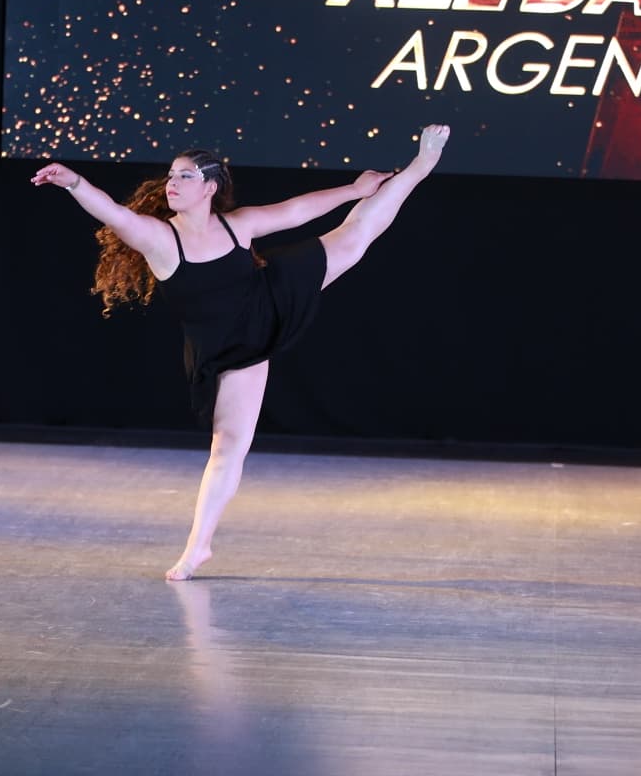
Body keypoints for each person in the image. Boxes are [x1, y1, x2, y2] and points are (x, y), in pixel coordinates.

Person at [31, 124, 450, 580]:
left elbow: (295, 211)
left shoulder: (237, 225)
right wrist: (74, 182)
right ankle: (198, 547)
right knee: (228, 448)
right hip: (228, 350)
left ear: (210, 187)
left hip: (269, 299)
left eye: (185, 176)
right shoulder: (159, 238)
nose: (172, 183)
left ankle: (420, 166)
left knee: (355, 235)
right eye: (171, 175)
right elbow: (113, 213)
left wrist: (354, 189)